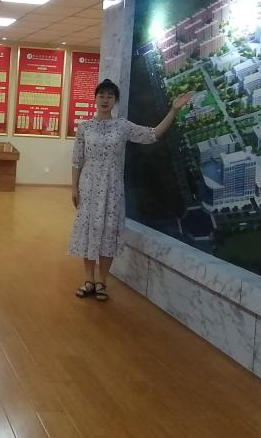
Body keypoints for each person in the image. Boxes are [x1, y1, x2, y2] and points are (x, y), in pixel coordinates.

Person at [70, 79, 192, 301]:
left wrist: (173, 111)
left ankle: (102, 281)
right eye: (101, 95)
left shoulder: (122, 126)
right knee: (89, 231)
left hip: (112, 189)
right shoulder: (84, 127)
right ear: (95, 98)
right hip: (89, 187)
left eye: (110, 96)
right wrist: (74, 187)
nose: (105, 99)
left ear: (115, 100)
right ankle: (88, 279)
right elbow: (77, 159)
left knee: (108, 232)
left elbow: (152, 135)